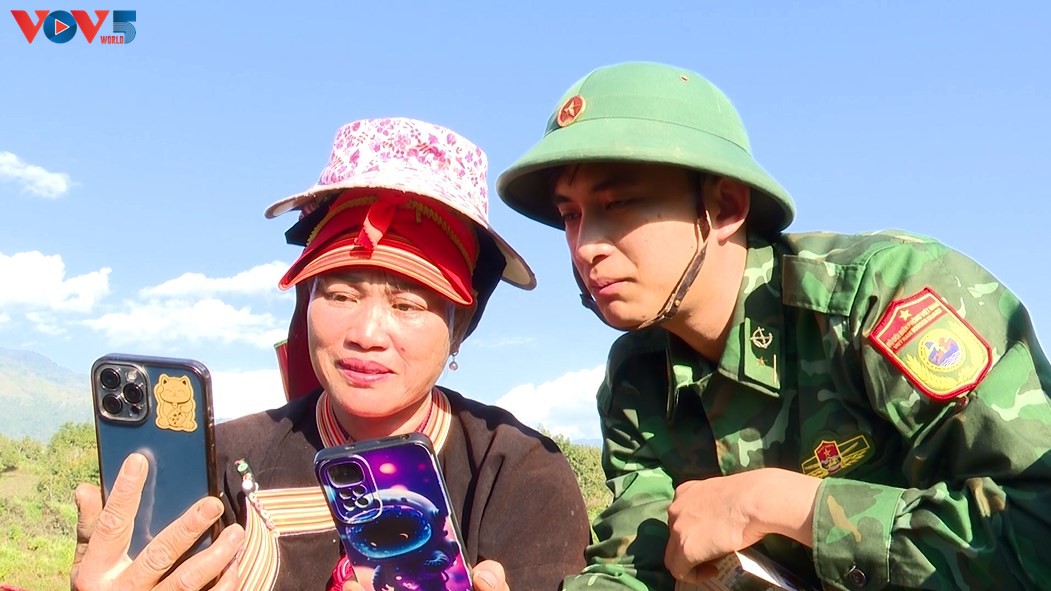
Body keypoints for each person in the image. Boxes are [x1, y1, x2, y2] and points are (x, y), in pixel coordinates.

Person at [494, 61, 1051, 590]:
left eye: (618, 203)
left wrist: (779, 504)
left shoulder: (874, 299)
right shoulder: (637, 378)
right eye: (570, 216)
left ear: (725, 207)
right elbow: (636, 566)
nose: (585, 246)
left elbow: (1037, 526)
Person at [71, 117, 591, 591]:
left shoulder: (521, 479)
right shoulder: (220, 464)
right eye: (340, 295)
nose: (366, 333)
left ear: (461, 327)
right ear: (307, 301)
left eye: (408, 304)